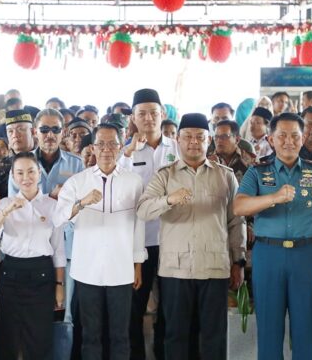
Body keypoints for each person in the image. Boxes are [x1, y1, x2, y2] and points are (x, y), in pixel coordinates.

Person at [137, 113, 246, 360]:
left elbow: (236, 220)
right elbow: (142, 210)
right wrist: (168, 200)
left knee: (214, 336)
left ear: (209, 140)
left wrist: (238, 261)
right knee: (176, 335)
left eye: (200, 137)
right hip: (176, 270)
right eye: (187, 136)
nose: (194, 142)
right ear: (177, 139)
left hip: (214, 267)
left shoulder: (225, 175)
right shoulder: (165, 175)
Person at [234, 112, 312, 359]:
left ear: (303, 139)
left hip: (306, 256)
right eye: (282, 135)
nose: (289, 141)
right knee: (268, 330)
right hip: (268, 255)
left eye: (295, 136)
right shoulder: (257, 171)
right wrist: (274, 197)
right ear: (271, 139)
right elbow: (238, 207)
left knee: (305, 329)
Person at [54, 123, 146, 360]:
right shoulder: (78, 182)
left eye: (112, 144)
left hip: (121, 269)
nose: (106, 149)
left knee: (121, 335)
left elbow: (139, 224)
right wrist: (81, 203)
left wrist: (137, 264)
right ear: (93, 147)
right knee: (90, 336)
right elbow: (58, 218)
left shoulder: (133, 181)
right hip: (87, 269)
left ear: (120, 146)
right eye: (101, 144)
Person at [117, 88, 179, 360]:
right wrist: (129, 152)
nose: (148, 118)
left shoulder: (177, 148)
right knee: (134, 308)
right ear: (133, 117)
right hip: (137, 243)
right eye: (141, 113)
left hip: (172, 240)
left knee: (170, 308)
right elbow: (117, 188)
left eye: (153, 112)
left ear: (162, 114)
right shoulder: (125, 153)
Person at [0, 152, 66, 360]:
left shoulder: (51, 206)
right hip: (11, 273)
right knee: (8, 338)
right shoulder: (4, 204)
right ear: (13, 176)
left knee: (40, 338)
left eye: (31, 171)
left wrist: (59, 285)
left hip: (42, 274)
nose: (26, 178)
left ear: (39, 173)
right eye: (20, 173)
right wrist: (8, 210)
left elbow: (58, 249)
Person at [8, 109, 83, 198]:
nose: (50, 135)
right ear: (35, 132)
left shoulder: (77, 164)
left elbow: (84, 200)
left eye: (55, 129)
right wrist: (50, 197)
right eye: (44, 129)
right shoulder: (19, 164)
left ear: (63, 133)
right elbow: (14, 203)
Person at [0, 110, 35, 202]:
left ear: (33, 132)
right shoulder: (0, 167)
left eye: (20, 129)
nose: (15, 135)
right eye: (10, 131)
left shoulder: (45, 158)